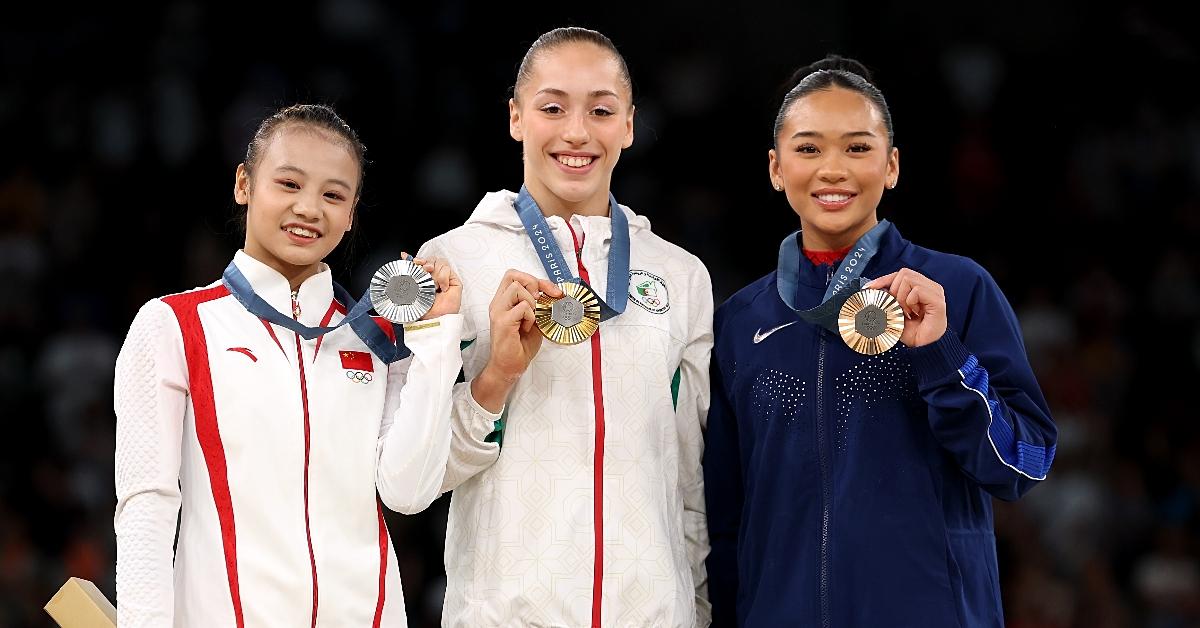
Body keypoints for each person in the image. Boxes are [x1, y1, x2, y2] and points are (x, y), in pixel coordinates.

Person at [703, 55, 1058, 627]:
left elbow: (1025, 463)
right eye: (809, 148)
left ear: (892, 166)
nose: (833, 169)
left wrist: (941, 355)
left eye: (859, 148)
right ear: (775, 168)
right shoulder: (740, 321)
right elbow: (723, 513)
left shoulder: (956, 289)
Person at [113, 103, 464, 627]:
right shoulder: (174, 326)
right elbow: (147, 504)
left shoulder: (376, 336)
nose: (309, 209)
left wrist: (436, 338)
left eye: (332, 195)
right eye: (289, 183)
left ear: (351, 214)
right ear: (244, 184)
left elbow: (407, 491)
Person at [412, 27, 714, 627]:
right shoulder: (451, 264)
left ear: (628, 125)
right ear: (516, 117)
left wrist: (697, 608)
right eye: (552, 108)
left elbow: (687, 475)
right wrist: (496, 375)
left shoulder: (681, 277)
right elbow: (417, 475)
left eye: (601, 110)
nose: (577, 132)